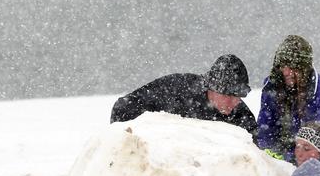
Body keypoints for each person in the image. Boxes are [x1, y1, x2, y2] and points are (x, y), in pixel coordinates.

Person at [110, 54, 258, 139]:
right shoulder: (176, 89)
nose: (233, 102)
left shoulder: (241, 117)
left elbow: (258, 150)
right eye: (228, 95)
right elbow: (123, 107)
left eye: (238, 96)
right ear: (212, 88)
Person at [257, 35, 320, 162]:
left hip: (308, 160)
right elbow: (265, 128)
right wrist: (269, 155)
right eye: (283, 67)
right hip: (276, 156)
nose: (286, 72)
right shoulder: (271, 86)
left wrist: (289, 158)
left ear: (304, 69)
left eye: (292, 68)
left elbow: (316, 142)